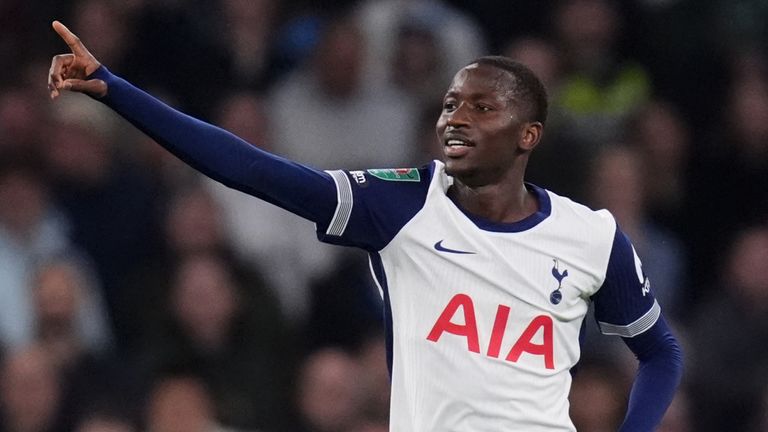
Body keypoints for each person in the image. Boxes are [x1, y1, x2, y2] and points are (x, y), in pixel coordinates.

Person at [48, 20, 682, 431]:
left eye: (481, 107)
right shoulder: (401, 206)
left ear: (528, 135)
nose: (456, 118)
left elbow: (660, 356)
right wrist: (114, 89)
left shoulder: (591, 236)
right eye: (451, 104)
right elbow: (252, 170)